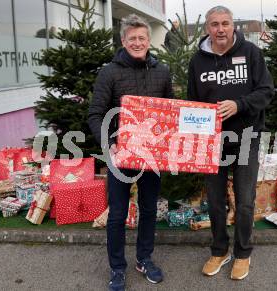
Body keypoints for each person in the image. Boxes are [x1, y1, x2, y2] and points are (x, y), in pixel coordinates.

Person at [187, 6, 274, 280]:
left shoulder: (250, 54)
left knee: (245, 200)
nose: (220, 29)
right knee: (214, 200)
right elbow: (192, 103)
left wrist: (239, 105)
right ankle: (219, 250)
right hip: (211, 140)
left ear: (233, 26)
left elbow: (266, 91)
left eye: (225, 23)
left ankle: (243, 253)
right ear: (207, 29)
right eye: (214, 24)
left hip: (246, 135)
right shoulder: (197, 62)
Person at [88, 14, 173, 291]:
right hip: (120, 155)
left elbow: (171, 113)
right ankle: (117, 268)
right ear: (123, 41)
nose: (137, 42)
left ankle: (144, 259)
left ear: (149, 41)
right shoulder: (109, 72)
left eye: (142, 38)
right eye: (132, 38)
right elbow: (96, 114)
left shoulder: (162, 71)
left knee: (149, 209)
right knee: (117, 214)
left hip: (152, 155)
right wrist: (108, 143)